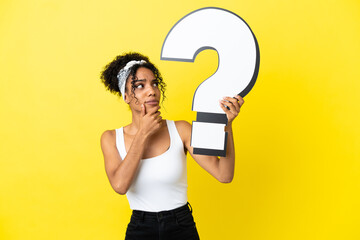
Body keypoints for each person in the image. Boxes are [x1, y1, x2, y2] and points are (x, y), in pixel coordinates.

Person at [100, 52, 244, 240]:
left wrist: (227, 126)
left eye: (154, 84)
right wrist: (143, 133)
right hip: (141, 228)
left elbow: (224, 175)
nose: (151, 91)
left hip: (181, 225)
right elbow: (119, 185)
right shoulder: (111, 138)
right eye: (140, 86)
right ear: (126, 96)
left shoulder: (181, 129)